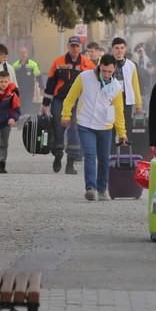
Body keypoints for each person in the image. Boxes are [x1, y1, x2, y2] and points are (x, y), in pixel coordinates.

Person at [62, 54, 128, 201]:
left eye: (110, 72)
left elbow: (119, 112)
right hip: (85, 124)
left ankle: (102, 189)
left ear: (114, 69)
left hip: (105, 126)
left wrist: (122, 132)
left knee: (104, 159)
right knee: (90, 155)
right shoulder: (84, 77)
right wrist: (65, 115)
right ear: (99, 66)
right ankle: (90, 188)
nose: (106, 74)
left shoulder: (116, 87)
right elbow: (70, 97)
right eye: (103, 70)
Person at [44, 36, 94, 174]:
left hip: (79, 101)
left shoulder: (88, 64)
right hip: (60, 100)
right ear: (68, 46)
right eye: (72, 45)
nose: (74, 48)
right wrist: (45, 104)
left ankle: (70, 163)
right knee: (59, 130)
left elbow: (94, 85)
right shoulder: (58, 62)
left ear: (81, 47)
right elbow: (50, 84)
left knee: (75, 130)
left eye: (77, 46)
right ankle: (58, 154)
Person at [109, 36, 145, 127]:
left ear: (125, 49)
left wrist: (138, 105)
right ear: (112, 49)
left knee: (126, 126)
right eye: (117, 48)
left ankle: (124, 141)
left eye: (122, 48)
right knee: (111, 126)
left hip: (126, 99)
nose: (119, 50)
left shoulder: (131, 65)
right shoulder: (106, 63)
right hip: (110, 99)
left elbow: (135, 85)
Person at [12, 47, 43, 115]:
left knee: (28, 105)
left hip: (29, 89)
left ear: (27, 54)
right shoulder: (15, 65)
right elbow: (12, 78)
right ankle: (21, 120)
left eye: (24, 53)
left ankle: (26, 120)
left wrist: (41, 88)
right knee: (20, 105)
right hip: (18, 90)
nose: (23, 54)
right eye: (21, 53)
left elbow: (38, 76)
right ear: (19, 54)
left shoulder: (33, 64)